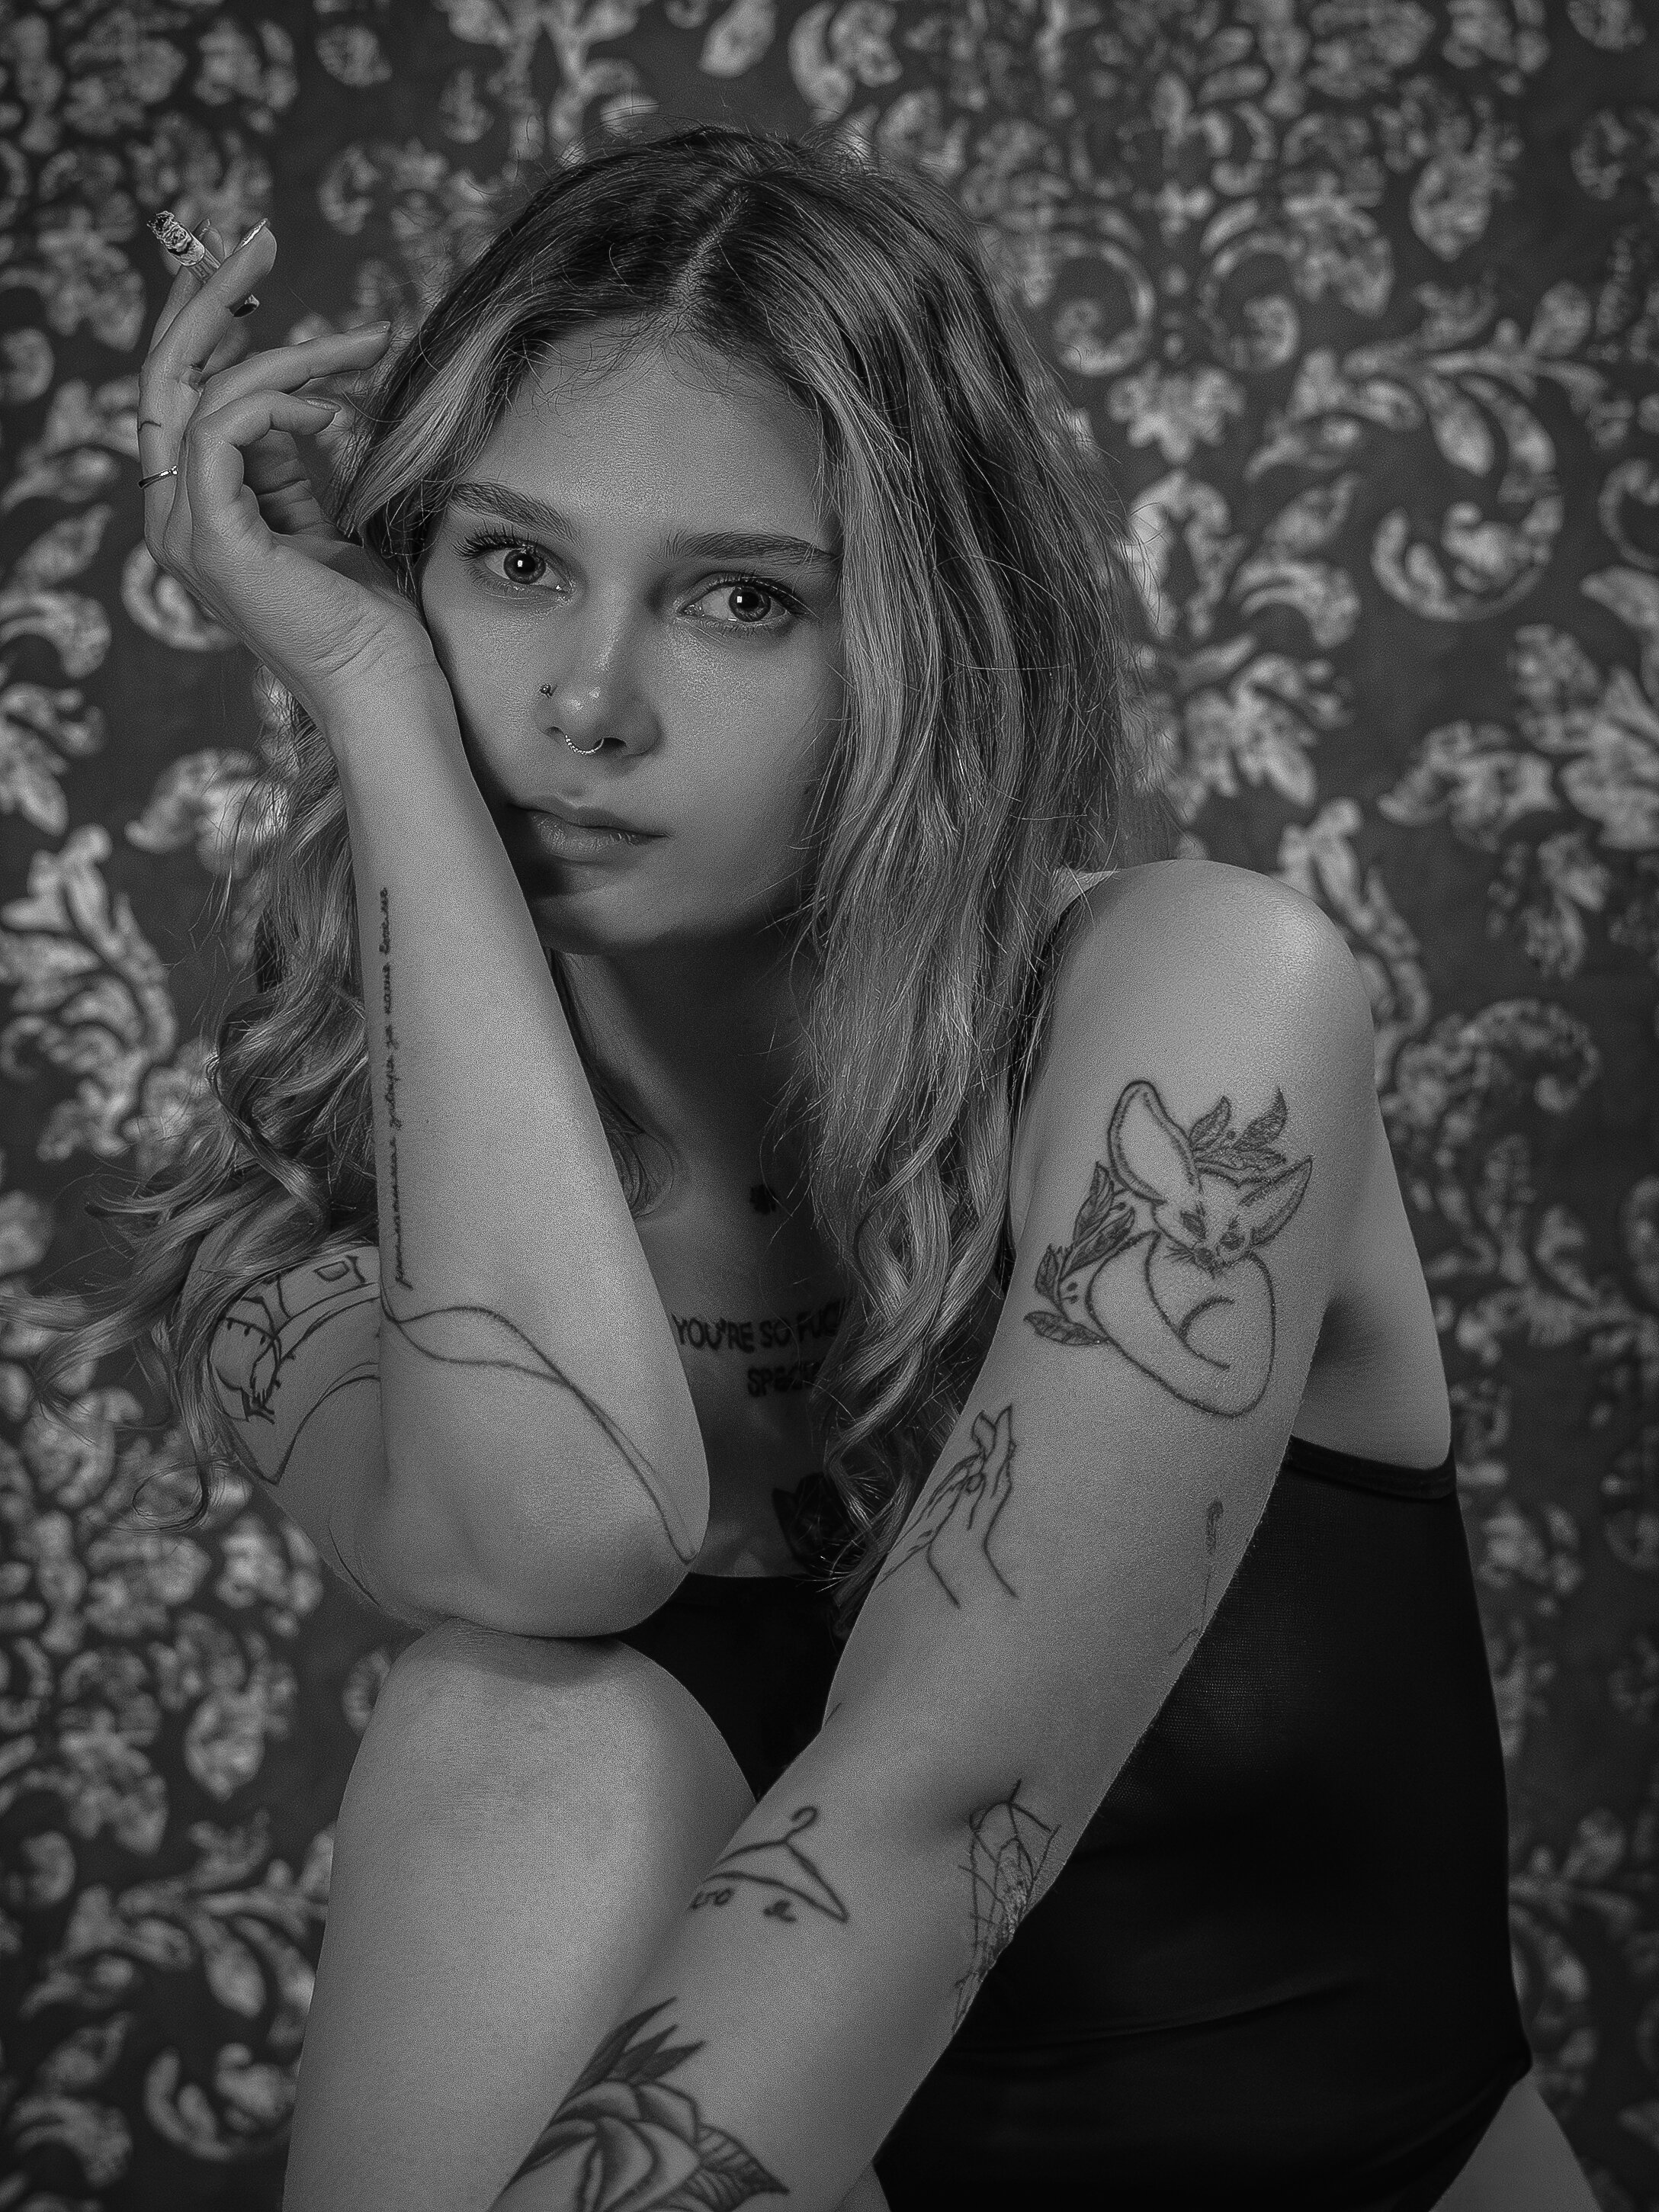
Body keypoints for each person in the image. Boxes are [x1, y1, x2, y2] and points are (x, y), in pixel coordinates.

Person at [10, 120, 1596, 2212]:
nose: (588, 703)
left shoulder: (1199, 1006)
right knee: (518, 1731)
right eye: (510, 566)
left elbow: (936, 1809)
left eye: (742, 600)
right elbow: (567, 1536)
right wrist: (383, 710)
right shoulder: (297, 1227)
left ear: (920, 652)